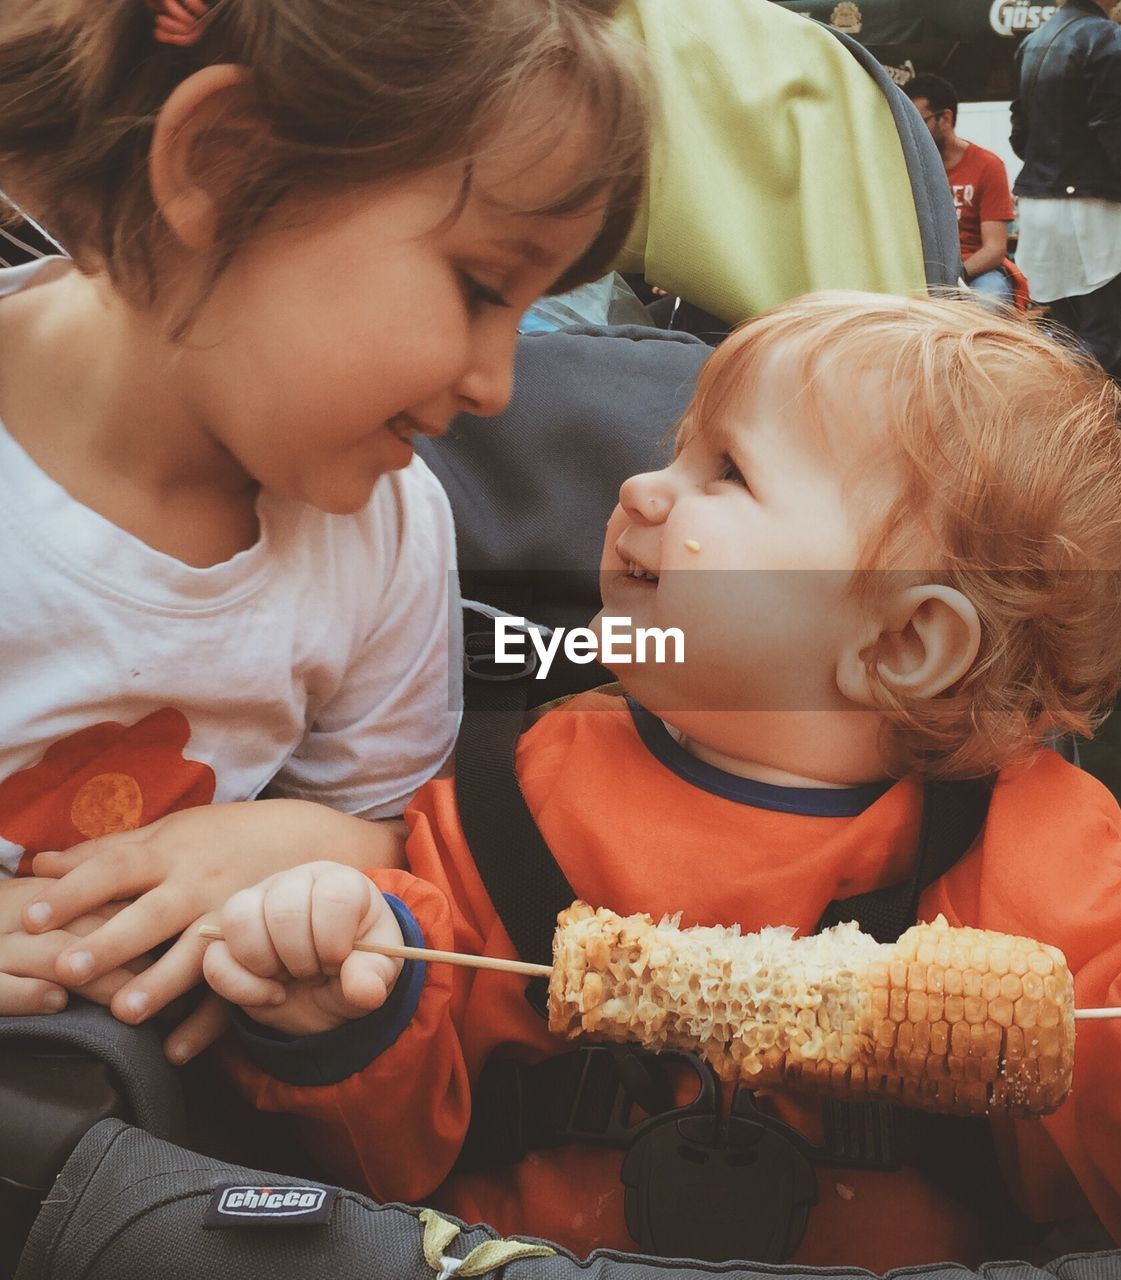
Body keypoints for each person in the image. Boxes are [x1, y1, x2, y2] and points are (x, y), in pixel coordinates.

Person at [203, 294, 1121, 1273]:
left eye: (724, 472)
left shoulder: (1024, 841)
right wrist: (336, 1010)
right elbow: (389, 1141)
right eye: (675, 451)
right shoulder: (511, 793)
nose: (638, 486)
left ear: (904, 641)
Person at [0, 0, 648, 1060]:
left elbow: (400, 836)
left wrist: (308, 844)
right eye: (482, 287)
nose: (497, 386)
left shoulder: (384, 531)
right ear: (223, 163)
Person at [1010, 0, 1121, 373]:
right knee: (1102, 339)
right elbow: (1118, 132)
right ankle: (1068, 423)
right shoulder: (1108, 37)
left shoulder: (1034, 40)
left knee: (1066, 335)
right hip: (1094, 209)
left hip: (1041, 204)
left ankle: (1054, 421)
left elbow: (1021, 134)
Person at [904, 73, 1015, 304]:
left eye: (918, 121)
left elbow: (995, 249)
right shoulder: (905, 167)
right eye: (906, 122)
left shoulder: (988, 165)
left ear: (945, 118)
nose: (910, 130)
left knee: (989, 300)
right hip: (916, 274)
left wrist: (954, 277)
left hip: (974, 273)